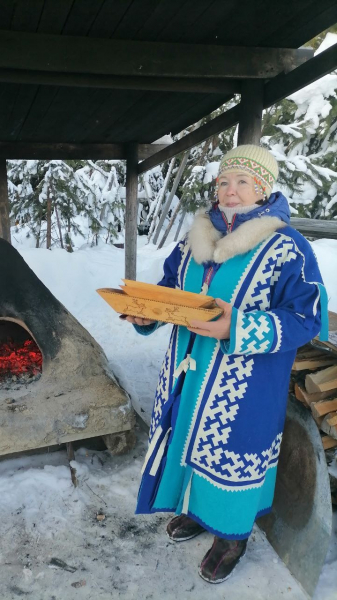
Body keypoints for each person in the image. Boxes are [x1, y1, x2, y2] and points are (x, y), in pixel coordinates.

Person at [125, 144, 328, 584]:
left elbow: (307, 317)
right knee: (189, 444)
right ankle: (198, 512)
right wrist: (148, 312)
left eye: (241, 182)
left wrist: (237, 327)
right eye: (223, 181)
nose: (229, 191)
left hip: (245, 385)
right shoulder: (195, 240)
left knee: (231, 457)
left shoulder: (287, 247)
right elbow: (170, 290)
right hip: (188, 370)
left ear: (262, 187)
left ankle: (232, 536)